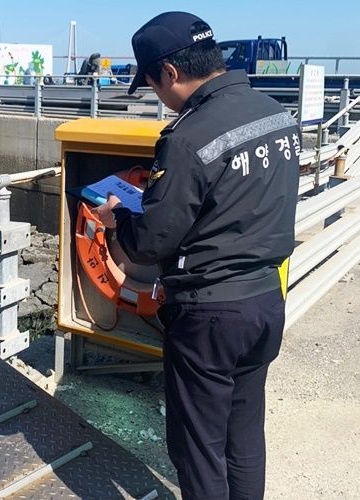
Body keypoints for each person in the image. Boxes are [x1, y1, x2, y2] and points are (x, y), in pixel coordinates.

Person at [94, 11, 300, 500]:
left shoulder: (187, 138)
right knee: (244, 435)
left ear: (169, 72)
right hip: (265, 300)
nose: (158, 98)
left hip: (210, 315)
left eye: (152, 86)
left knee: (199, 447)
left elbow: (151, 242)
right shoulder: (275, 112)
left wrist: (116, 220)